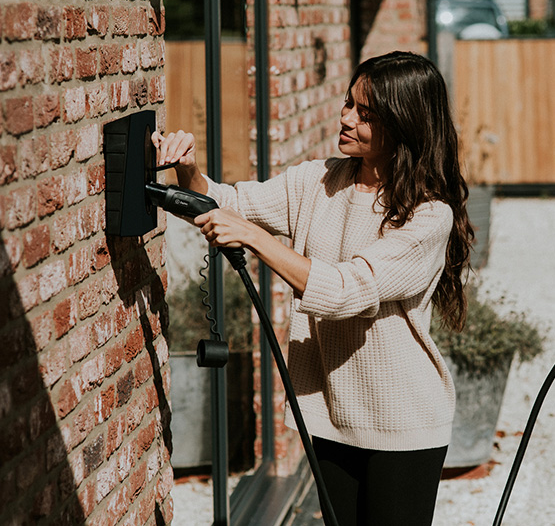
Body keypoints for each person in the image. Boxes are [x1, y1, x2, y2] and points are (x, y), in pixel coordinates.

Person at [153, 51, 474, 526]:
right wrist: (189, 171)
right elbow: (230, 202)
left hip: (401, 426)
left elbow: (348, 290)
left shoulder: (428, 216)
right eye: (348, 103)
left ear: (403, 123)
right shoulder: (318, 180)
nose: (345, 118)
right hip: (330, 413)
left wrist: (256, 239)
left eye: (365, 114)